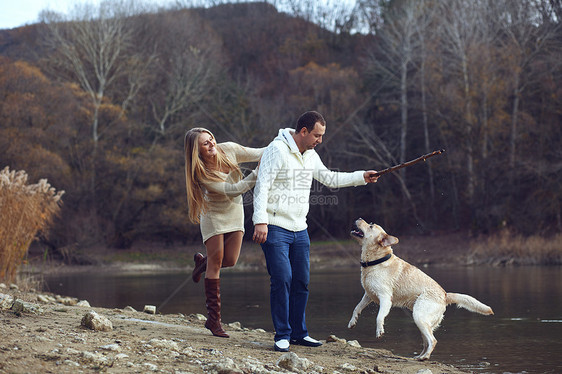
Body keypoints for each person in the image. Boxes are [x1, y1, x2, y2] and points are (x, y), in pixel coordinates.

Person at [252, 111, 379, 352]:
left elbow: (329, 178)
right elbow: (262, 185)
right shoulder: (276, 150)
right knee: (282, 279)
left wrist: (361, 177)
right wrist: (260, 221)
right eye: (317, 135)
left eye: (321, 136)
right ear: (303, 131)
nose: (320, 140)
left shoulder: (310, 155)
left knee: (302, 281)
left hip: (300, 229)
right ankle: (282, 334)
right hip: (275, 225)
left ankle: (299, 334)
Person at [184, 127, 264, 338]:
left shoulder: (228, 149)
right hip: (214, 217)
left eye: (211, 139)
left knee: (230, 260)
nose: (212, 144)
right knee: (217, 262)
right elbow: (233, 190)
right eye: (205, 143)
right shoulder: (200, 172)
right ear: (196, 151)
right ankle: (214, 320)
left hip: (234, 213)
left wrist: (286, 141)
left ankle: (202, 263)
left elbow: (260, 152)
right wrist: (257, 173)